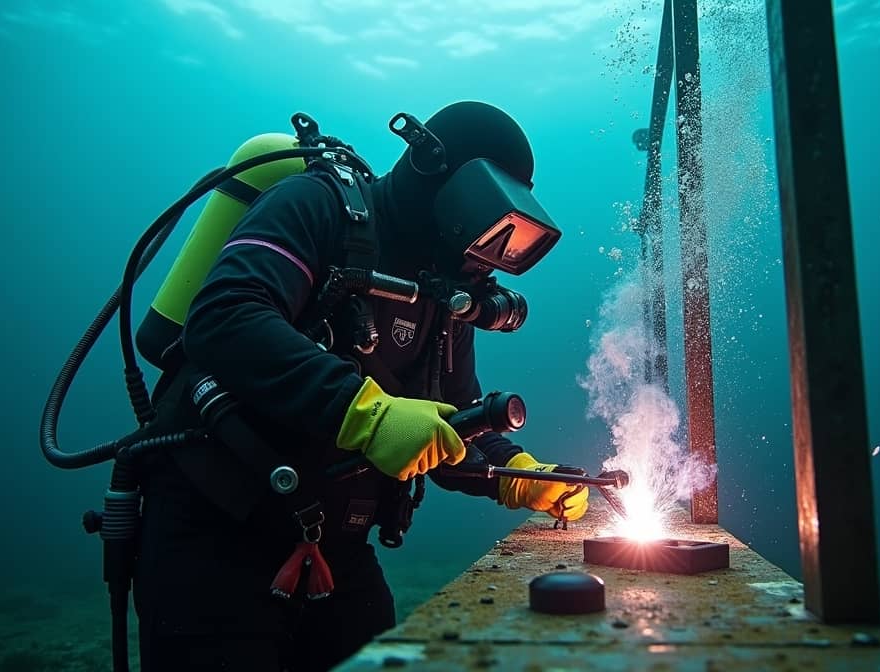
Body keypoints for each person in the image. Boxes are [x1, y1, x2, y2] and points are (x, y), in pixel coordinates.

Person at [131, 101, 589, 672]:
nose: (491, 252)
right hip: (216, 533)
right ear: (439, 176)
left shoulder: (444, 292)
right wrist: (362, 412)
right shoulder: (318, 206)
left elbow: (452, 419)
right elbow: (227, 315)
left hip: (336, 547)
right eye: (494, 217)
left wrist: (522, 476)